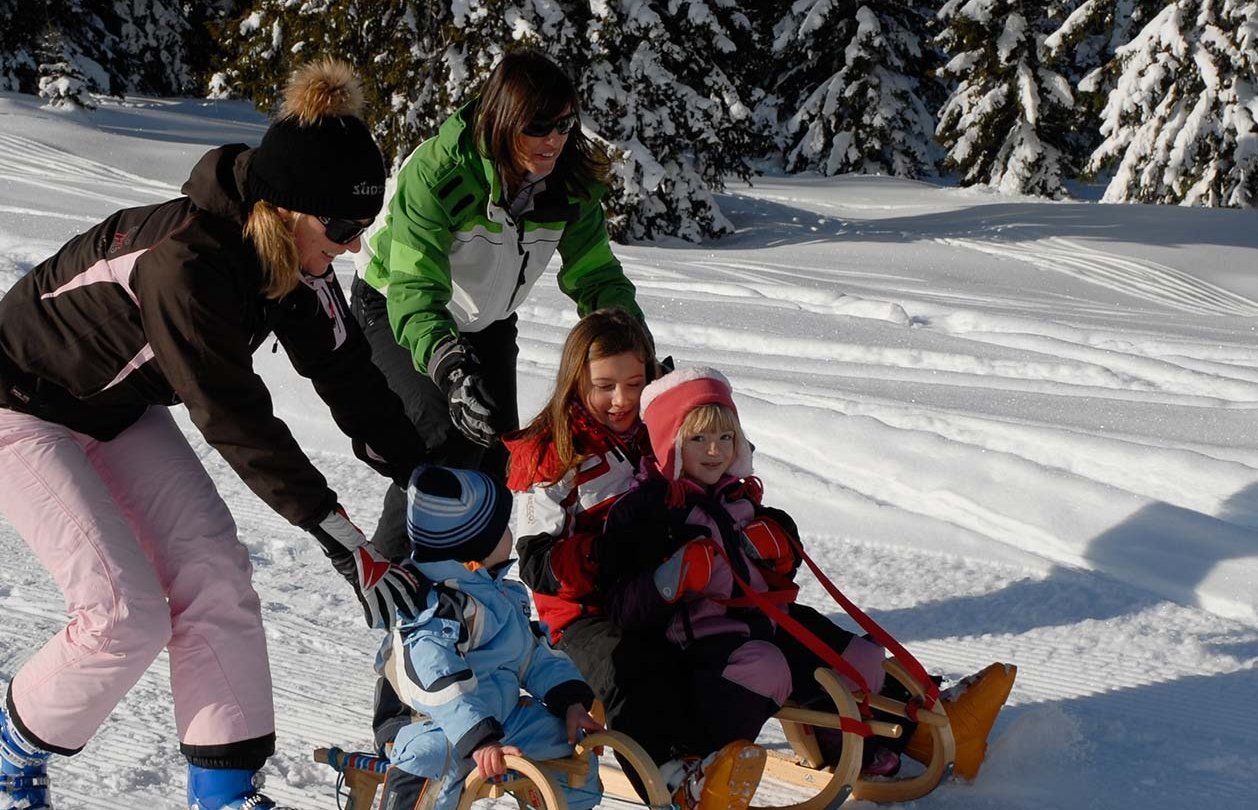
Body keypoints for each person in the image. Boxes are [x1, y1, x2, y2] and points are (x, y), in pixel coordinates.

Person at [0, 60, 429, 810]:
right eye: (342, 228)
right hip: (20, 413)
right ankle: (4, 753)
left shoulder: (290, 257)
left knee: (216, 573)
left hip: (114, 415)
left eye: (362, 227)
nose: (354, 247)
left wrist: (420, 468)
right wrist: (338, 533)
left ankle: (225, 794)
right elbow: (231, 415)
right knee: (124, 612)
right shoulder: (184, 264)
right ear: (285, 210)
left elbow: (345, 371)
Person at [350, 48, 644, 561]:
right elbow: (415, 290)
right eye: (538, 126)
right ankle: (393, 579)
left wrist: (636, 349)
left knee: (501, 455)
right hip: (394, 304)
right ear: (503, 120)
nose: (554, 139)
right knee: (440, 444)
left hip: (486, 321)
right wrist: (452, 371)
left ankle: (473, 587)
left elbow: (595, 275)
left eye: (565, 125)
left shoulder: (569, 184)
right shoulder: (441, 173)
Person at [503, 311, 765, 810]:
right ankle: (670, 777)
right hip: (586, 614)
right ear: (576, 380)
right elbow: (537, 563)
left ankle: (724, 749)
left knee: (744, 633)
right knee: (632, 666)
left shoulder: (658, 427)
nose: (621, 400)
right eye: (604, 386)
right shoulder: (553, 453)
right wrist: (604, 554)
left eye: (634, 383)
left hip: (664, 589)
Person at [602, 366, 906, 782]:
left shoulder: (739, 495)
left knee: (863, 659)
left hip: (768, 621)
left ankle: (843, 743)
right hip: (698, 644)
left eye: (725, 438)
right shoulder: (647, 511)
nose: (715, 451)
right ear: (670, 443)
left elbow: (781, 563)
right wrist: (669, 580)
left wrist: (781, 550)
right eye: (699, 439)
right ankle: (710, 765)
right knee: (763, 666)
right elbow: (622, 606)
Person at [373, 465, 606, 810]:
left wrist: (568, 699)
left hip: (500, 719)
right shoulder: (435, 608)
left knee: (567, 738)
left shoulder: (498, 595)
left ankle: (568, 803)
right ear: (474, 547)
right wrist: (478, 739)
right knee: (434, 757)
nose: (510, 534)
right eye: (502, 529)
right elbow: (438, 682)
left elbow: (532, 654)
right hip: (431, 723)